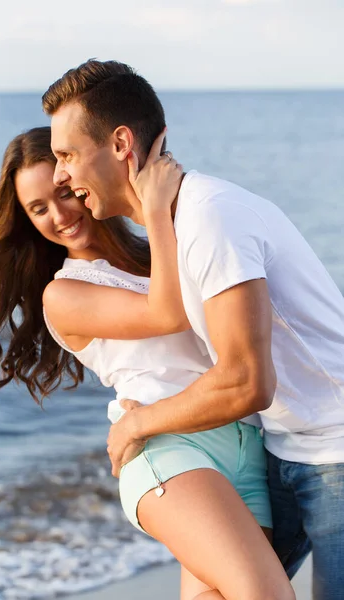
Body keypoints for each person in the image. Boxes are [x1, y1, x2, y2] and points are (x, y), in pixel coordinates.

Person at [43, 58, 344, 599]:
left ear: (119, 144)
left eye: (66, 155)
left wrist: (138, 424)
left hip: (334, 450)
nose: (60, 174)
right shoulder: (180, 225)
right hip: (282, 449)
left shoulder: (209, 217)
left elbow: (246, 381)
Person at [0, 127, 294, 600]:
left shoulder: (154, 253)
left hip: (244, 443)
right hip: (167, 449)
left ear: (80, 179)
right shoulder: (65, 292)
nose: (58, 215)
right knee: (267, 594)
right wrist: (155, 208)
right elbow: (167, 312)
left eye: (61, 194)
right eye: (38, 209)